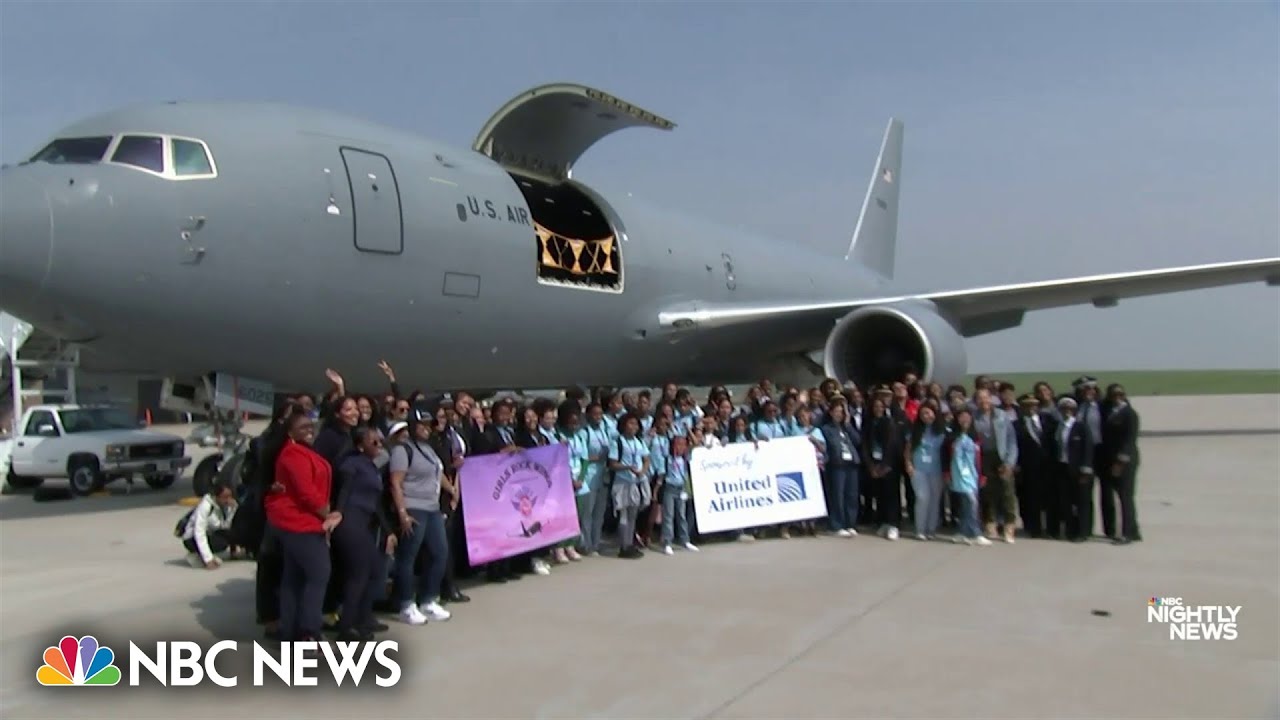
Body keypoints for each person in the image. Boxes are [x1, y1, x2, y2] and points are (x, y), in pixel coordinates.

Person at [266, 411, 342, 642]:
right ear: (290, 432)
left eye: (311, 425)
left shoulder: (304, 451)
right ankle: (309, 631)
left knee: (295, 578)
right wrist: (329, 514)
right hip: (299, 523)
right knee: (318, 574)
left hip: (303, 522)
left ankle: (290, 630)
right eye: (303, 427)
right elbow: (306, 493)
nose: (309, 430)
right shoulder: (292, 454)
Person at [387, 406, 452, 624]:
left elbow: (437, 473)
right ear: (413, 426)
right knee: (408, 557)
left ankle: (428, 599)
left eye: (429, 425)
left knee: (440, 553)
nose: (427, 428)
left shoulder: (428, 448)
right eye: (422, 425)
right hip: (413, 507)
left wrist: (451, 489)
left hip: (432, 507)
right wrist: (402, 513)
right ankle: (406, 604)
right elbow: (395, 483)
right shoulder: (403, 450)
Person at [332, 426, 391, 640]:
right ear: (359, 446)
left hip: (364, 522)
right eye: (373, 442)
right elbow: (344, 490)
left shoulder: (371, 466)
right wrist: (338, 511)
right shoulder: (351, 465)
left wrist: (388, 531)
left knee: (374, 571)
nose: (379, 445)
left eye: (379, 441)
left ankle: (363, 618)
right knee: (358, 575)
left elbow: (376, 504)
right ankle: (346, 626)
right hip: (350, 521)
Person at [972, 388, 1020, 543]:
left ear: (991, 399)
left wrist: (1010, 462)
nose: (983, 401)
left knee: (1007, 492)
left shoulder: (1002, 416)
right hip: (984, 457)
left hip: (1002, 456)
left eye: (985, 397)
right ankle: (990, 523)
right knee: (987, 492)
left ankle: (1009, 526)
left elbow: (1012, 441)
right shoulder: (974, 417)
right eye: (979, 398)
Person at [1100, 384, 1142, 544]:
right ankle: (1134, 531)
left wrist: (1121, 461)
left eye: (1120, 394)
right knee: (1122, 496)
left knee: (1125, 497)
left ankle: (1127, 533)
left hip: (1125, 460)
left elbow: (1130, 439)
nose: (1117, 397)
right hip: (1111, 458)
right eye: (1113, 395)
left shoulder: (1130, 414)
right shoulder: (1110, 412)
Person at [608, 413, 651, 559]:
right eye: (630, 423)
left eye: (635, 424)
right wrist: (627, 467)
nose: (633, 427)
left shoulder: (639, 441)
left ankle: (630, 542)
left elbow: (646, 459)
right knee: (623, 514)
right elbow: (613, 463)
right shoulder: (618, 442)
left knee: (633, 515)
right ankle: (623, 546)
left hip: (636, 482)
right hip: (622, 482)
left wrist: (642, 471)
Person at [945, 409, 990, 546]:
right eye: (961, 417)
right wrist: (946, 473)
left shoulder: (976, 437)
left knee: (968, 504)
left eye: (967, 417)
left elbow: (982, 457)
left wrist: (983, 474)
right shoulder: (951, 437)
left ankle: (963, 532)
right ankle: (976, 533)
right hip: (958, 474)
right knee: (971, 502)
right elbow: (945, 456)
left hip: (973, 474)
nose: (964, 420)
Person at [1054, 396, 1096, 543]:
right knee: (1066, 501)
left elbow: (1088, 448)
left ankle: (1083, 531)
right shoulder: (1059, 427)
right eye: (1064, 409)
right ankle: (1070, 530)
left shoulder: (1081, 427)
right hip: (1063, 467)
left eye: (1070, 409)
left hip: (1079, 470)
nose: (1067, 411)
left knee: (1082, 501)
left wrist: (1086, 469)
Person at [1013, 393, 1054, 538]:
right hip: (1028, 466)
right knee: (1031, 498)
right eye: (1027, 405)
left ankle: (1051, 528)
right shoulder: (1016, 425)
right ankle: (1034, 528)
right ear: (1022, 407)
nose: (1031, 408)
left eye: (1033, 405)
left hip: (1048, 466)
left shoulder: (1048, 420)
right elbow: (1014, 446)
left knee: (1049, 498)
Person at [905, 405, 946, 540]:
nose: (926, 416)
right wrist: (908, 464)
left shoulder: (942, 431)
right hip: (918, 469)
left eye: (928, 413)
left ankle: (931, 529)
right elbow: (908, 449)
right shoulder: (915, 431)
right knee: (923, 498)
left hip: (936, 470)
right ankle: (920, 529)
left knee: (934, 499)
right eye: (923, 414)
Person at [821, 401, 860, 537]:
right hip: (837, 465)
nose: (839, 414)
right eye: (836, 411)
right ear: (831, 413)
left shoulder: (846, 428)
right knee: (838, 495)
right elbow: (831, 444)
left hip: (851, 463)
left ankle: (850, 524)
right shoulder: (826, 429)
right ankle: (837, 525)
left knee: (852, 495)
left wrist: (848, 425)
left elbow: (857, 440)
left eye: (841, 412)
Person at [180, 481, 239, 568]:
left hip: (210, 533)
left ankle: (231, 553)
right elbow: (199, 533)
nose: (228, 500)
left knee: (231, 534)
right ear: (216, 496)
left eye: (230, 496)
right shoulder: (205, 507)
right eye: (225, 497)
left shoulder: (225, 507)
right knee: (221, 543)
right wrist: (208, 559)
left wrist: (233, 510)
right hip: (192, 538)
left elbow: (225, 526)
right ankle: (197, 556)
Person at [659, 435, 697, 555]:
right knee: (668, 516)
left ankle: (685, 540)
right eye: (678, 444)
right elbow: (662, 474)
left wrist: (689, 434)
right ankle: (667, 542)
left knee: (681, 515)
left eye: (683, 445)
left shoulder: (685, 458)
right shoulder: (668, 458)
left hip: (681, 489)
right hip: (670, 488)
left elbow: (695, 444)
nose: (681, 447)